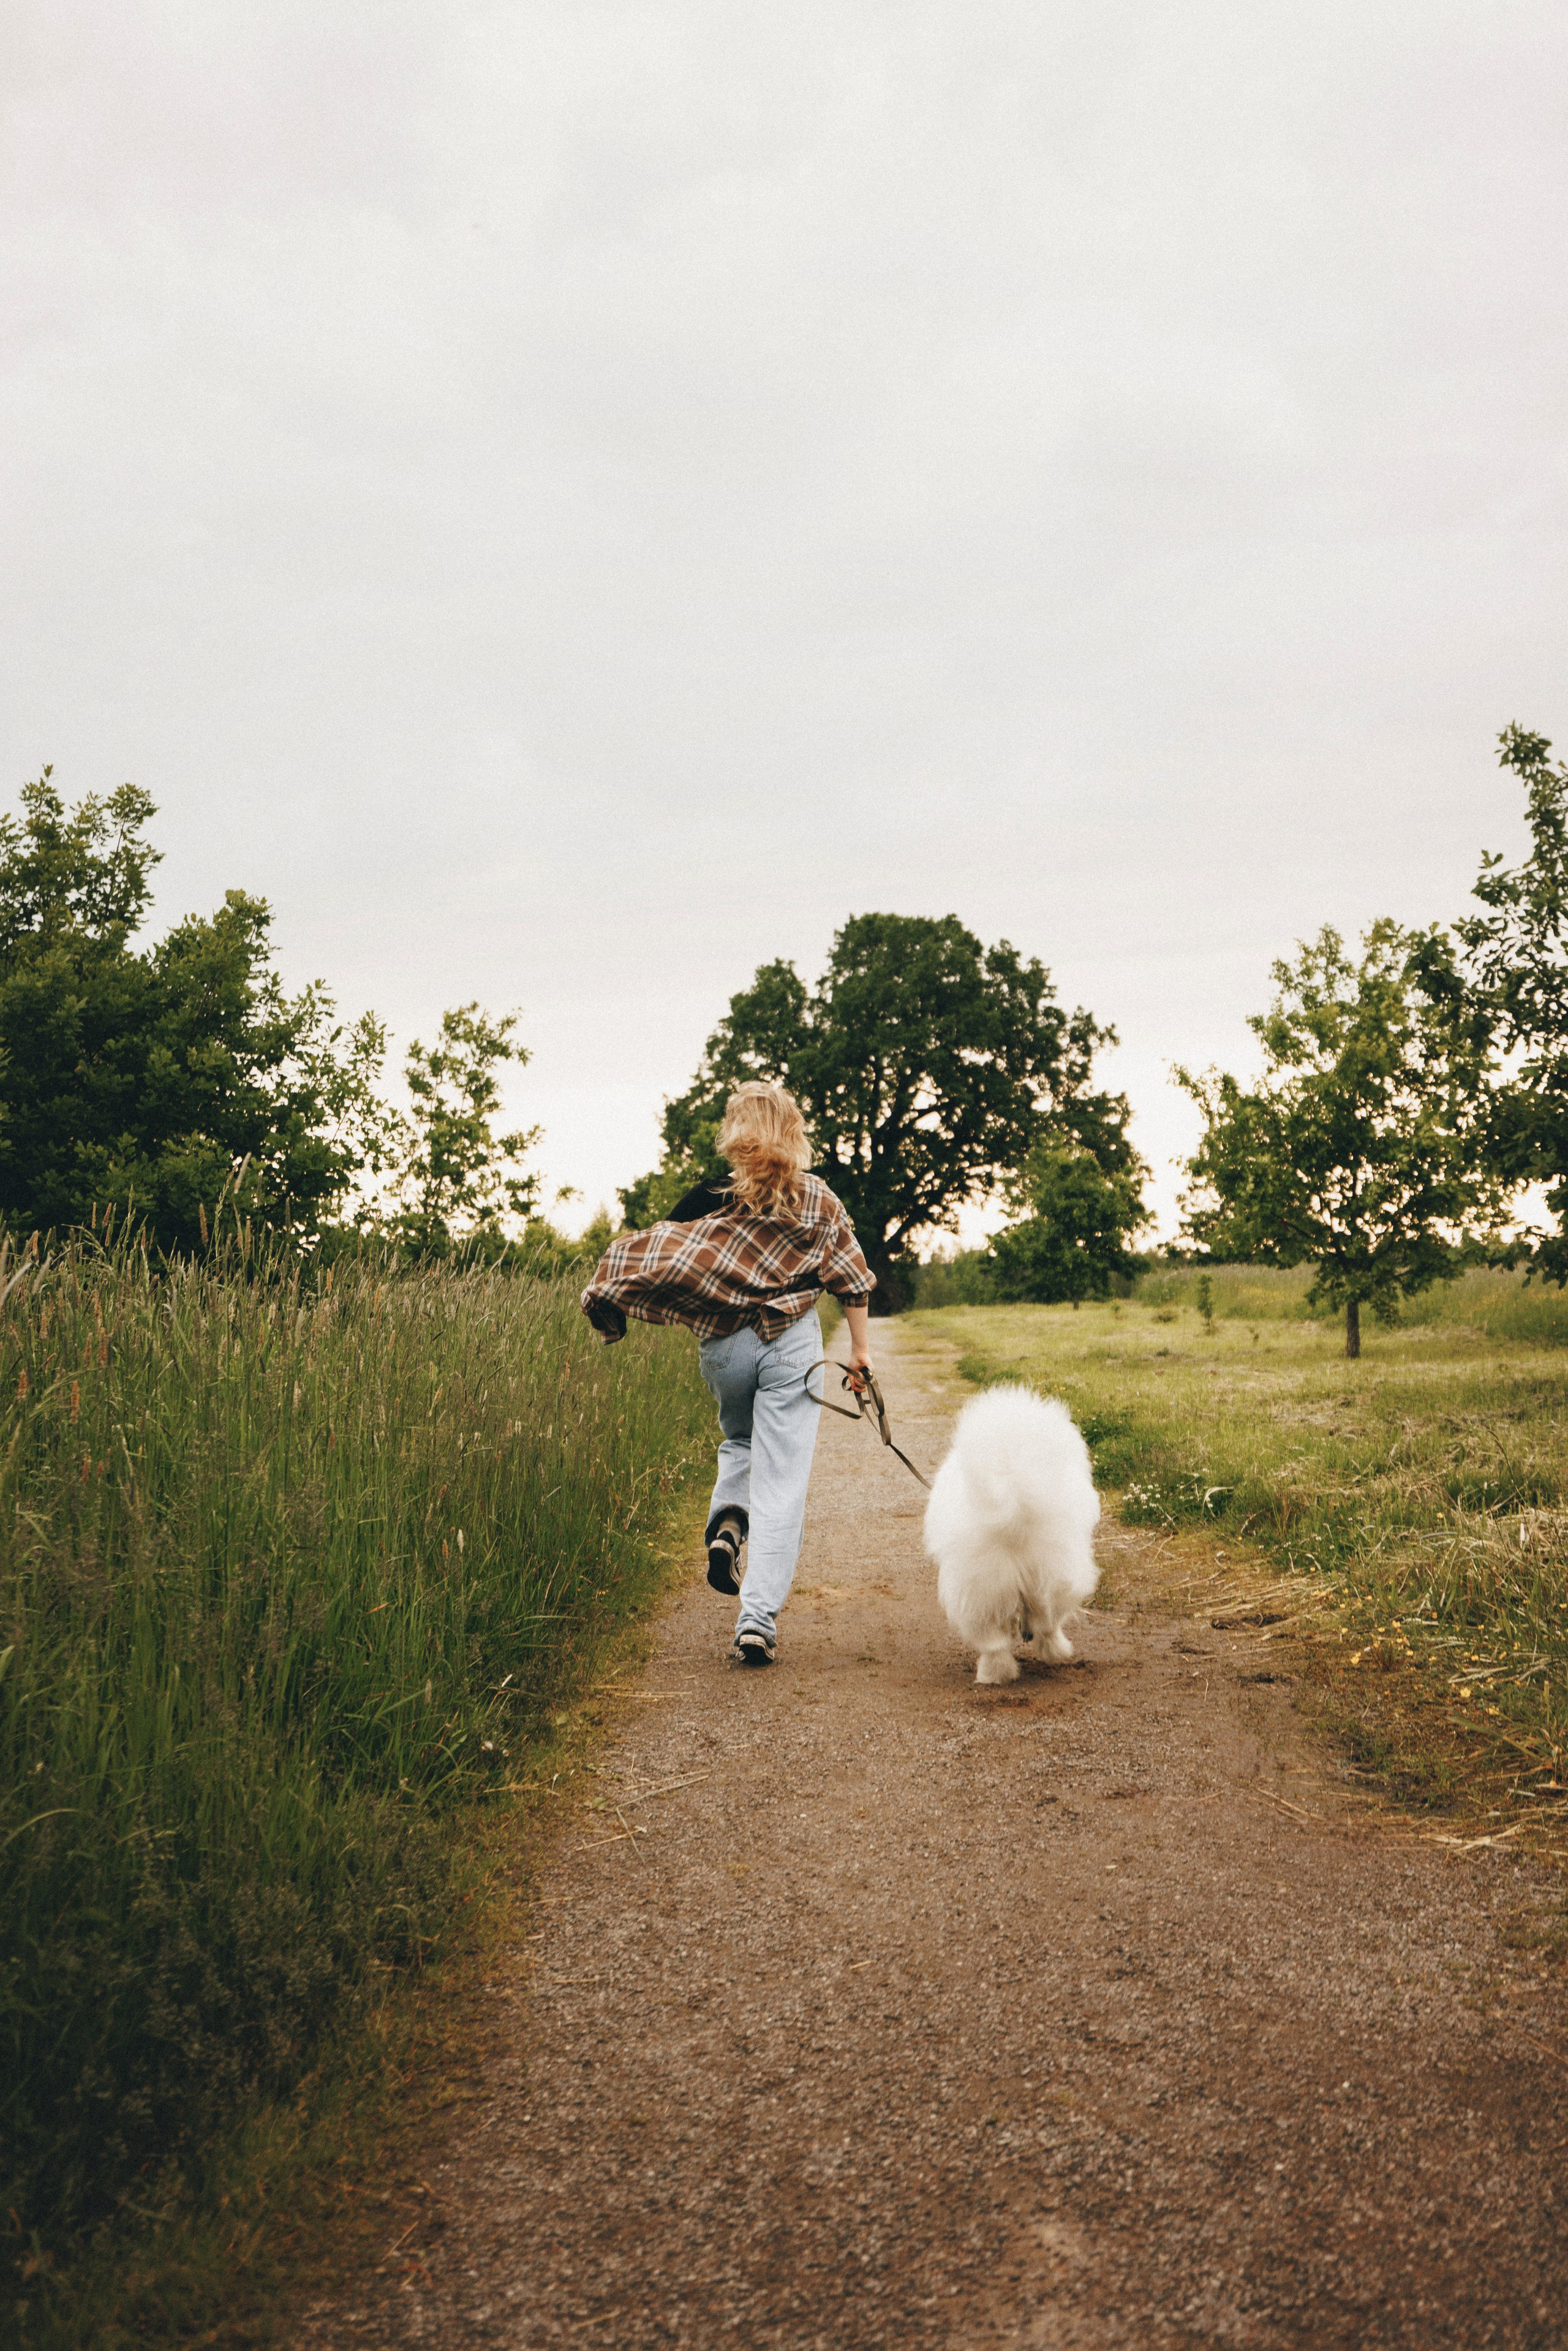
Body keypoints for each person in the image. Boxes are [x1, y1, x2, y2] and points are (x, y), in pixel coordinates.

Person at [581, 1082, 875, 1667]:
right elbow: (851, 1276)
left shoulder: (708, 1198)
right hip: (790, 1344)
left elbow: (664, 1257)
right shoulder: (818, 1199)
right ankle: (757, 1621)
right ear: (792, 1131)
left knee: (739, 1440)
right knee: (782, 1484)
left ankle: (727, 1524)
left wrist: (617, 1300)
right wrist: (861, 1352)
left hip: (724, 1350)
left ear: (735, 1134)